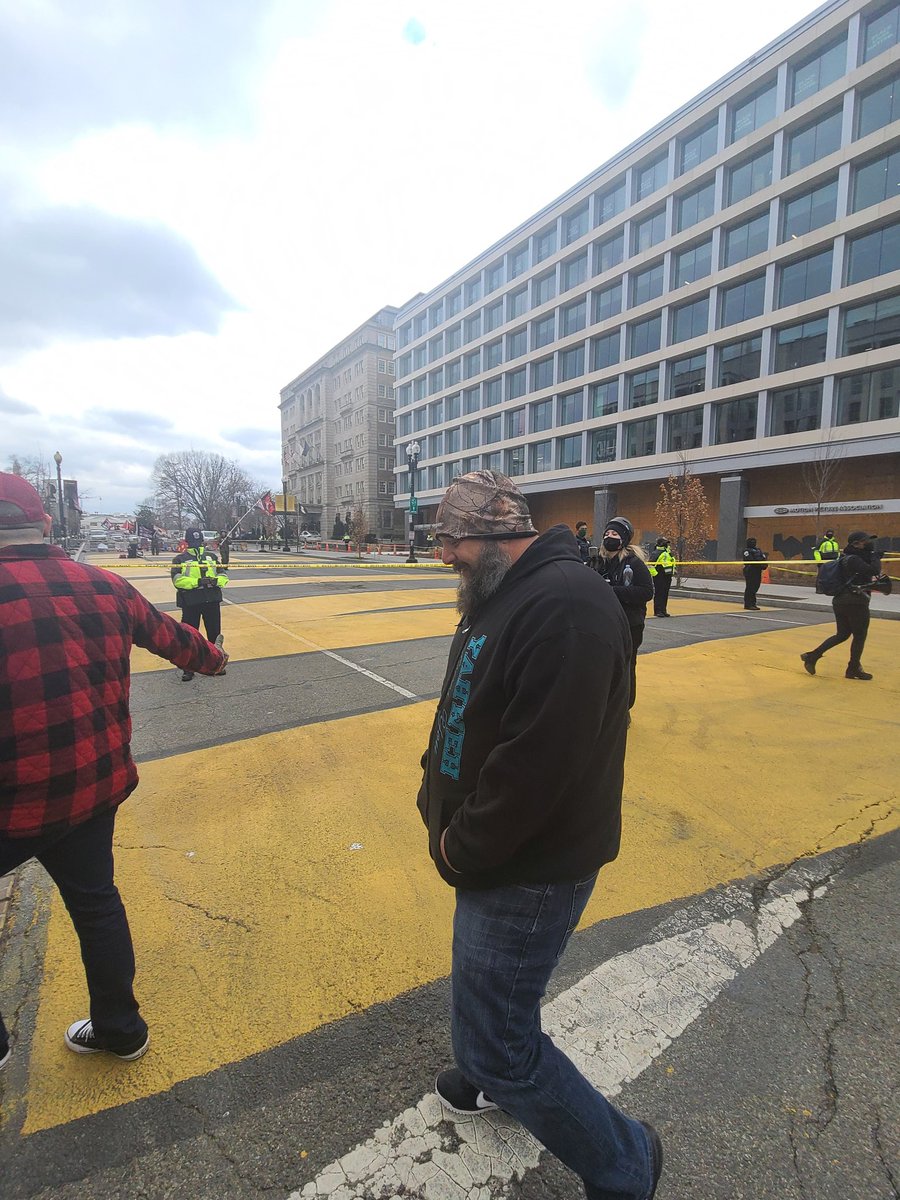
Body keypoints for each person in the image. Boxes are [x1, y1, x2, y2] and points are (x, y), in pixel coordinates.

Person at [419, 470, 663, 1200]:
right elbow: (474, 703)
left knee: (499, 1037)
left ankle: (626, 1164)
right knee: (489, 996)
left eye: (451, 544)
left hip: (528, 865)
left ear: (491, 539)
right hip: (498, 852)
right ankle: (489, 1070)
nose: (444, 559)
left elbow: (539, 761)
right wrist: (436, 787)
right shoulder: (509, 591)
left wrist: (462, 844)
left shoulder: (565, 605)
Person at [0, 473, 227, 1070]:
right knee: (97, 903)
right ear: (46, 525)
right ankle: (121, 1031)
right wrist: (215, 656)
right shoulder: (105, 586)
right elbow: (183, 644)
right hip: (92, 786)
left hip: (12, 799)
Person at [800, 532, 889, 680]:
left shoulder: (847, 558)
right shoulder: (853, 560)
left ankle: (812, 656)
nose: (869, 544)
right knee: (860, 635)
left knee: (842, 634)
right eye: (865, 541)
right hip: (855, 601)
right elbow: (873, 571)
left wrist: (872, 556)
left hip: (842, 600)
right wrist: (874, 556)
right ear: (855, 544)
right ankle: (853, 668)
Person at [594, 517, 654, 709]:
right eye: (607, 533)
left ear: (624, 539)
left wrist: (612, 590)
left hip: (629, 625)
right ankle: (607, 705)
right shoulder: (599, 562)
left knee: (626, 668)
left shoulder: (634, 564)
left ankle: (624, 708)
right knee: (605, 667)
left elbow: (647, 592)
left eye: (615, 534)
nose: (609, 537)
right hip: (605, 623)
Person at [170, 529, 229, 682]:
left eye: (198, 540)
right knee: (189, 636)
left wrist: (216, 581)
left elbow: (223, 575)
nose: (196, 542)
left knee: (214, 635)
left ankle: (216, 663)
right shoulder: (180, 559)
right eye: (193, 540)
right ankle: (188, 668)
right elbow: (177, 580)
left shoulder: (211, 556)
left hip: (211, 599)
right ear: (187, 541)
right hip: (191, 601)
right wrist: (196, 583)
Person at [648, 536, 676, 617]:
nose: (667, 545)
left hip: (667, 575)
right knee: (659, 593)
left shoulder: (668, 552)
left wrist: (672, 572)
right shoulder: (656, 553)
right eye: (665, 543)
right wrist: (655, 574)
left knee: (665, 593)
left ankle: (663, 610)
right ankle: (658, 611)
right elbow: (650, 565)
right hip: (659, 576)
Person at [742, 536, 768, 610]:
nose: (753, 543)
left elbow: (763, 558)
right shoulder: (746, 551)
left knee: (755, 587)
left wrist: (763, 564)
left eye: (754, 541)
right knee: (750, 587)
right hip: (750, 571)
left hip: (757, 571)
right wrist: (759, 562)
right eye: (751, 542)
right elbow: (750, 560)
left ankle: (753, 603)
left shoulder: (758, 550)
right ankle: (748, 604)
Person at [813, 528, 839, 593]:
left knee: (832, 576)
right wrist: (819, 561)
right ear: (826, 534)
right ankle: (819, 589)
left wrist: (837, 559)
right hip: (823, 561)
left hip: (833, 561)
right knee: (821, 576)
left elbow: (837, 552)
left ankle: (830, 589)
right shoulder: (822, 542)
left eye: (831, 533)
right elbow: (816, 551)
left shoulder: (835, 542)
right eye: (829, 533)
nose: (830, 534)